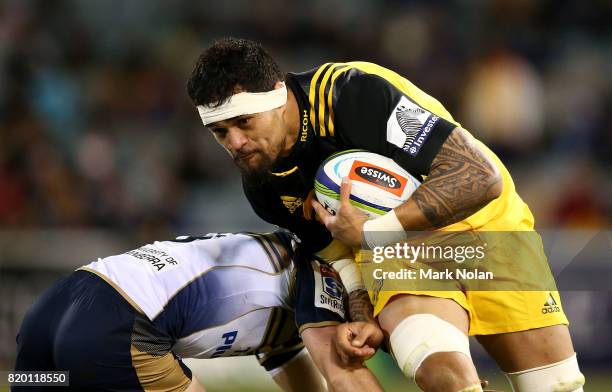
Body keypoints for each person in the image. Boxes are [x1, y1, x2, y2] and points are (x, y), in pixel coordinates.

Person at [186, 38, 585, 392]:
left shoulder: (351, 94)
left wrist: (377, 230)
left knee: (556, 386)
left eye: (243, 122)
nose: (236, 143)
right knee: (443, 374)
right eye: (220, 132)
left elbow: (480, 177)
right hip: (396, 253)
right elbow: (339, 252)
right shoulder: (263, 184)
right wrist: (362, 313)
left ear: (277, 94)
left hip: (486, 226)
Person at [14, 231, 383, 392]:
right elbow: (343, 375)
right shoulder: (324, 274)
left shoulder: (289, 310)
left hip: (52, 308)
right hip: (121, 324)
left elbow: (290, 363)